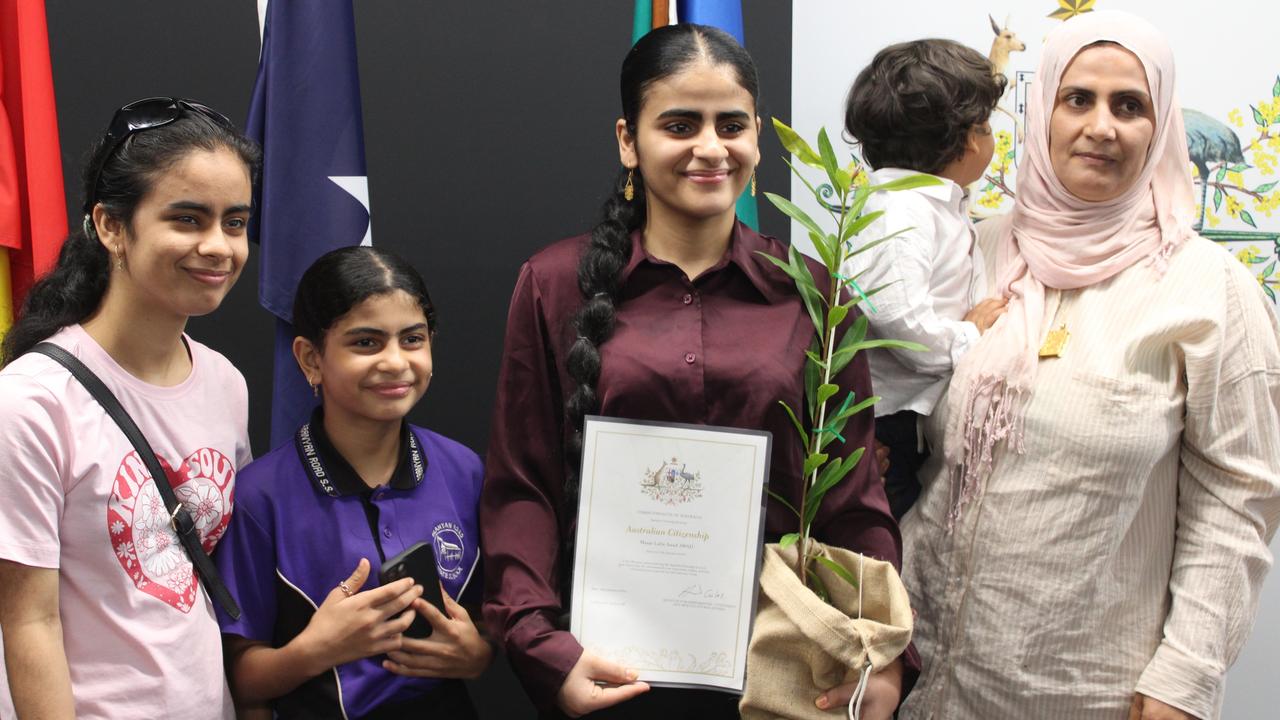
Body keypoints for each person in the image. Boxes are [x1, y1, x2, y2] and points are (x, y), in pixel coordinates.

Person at [481, 23, 911, 720]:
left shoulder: (816, 294)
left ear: (758, 139)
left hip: (780, 671)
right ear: (629, 140)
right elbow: (522, 486)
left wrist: (880, 657)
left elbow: (854, 500)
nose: (710, 148)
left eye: (731, 125)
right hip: (604, 672)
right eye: (680, 124)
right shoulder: (553, 284)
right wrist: (541, 645)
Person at [898, 11, 1280, 720]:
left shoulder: (1207, 286)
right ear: (1041, 110)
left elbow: (1238, 499)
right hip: (919, 675)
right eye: (1078, 99)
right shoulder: (970, 251)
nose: (1101, 126)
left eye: (1128, 105)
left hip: (1087, 691)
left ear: (1159, 124)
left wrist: (1185, 680)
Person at [0, 98, 260, 719]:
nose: (219, 246)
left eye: (235, 221)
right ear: (112, 226)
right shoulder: (32, 401)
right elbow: (27, 620)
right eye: (188, 218)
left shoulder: (225, 383)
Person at [214, 246, 491, 719]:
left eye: (412, 339)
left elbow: (494, 624)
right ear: (311, 359)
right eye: (366, 342)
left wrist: (479, 655)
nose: (395, 361)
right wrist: (315, 649)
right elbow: (240, 677)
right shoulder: (260, 497)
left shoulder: (463, 470)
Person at [841, 39, 1010, 520]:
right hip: (885, 423)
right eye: (986, 126)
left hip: (908, 415)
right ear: (966, 140)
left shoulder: (926, 205)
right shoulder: (902, 212)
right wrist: (969, 335)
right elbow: (899, 319)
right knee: (884, 542)